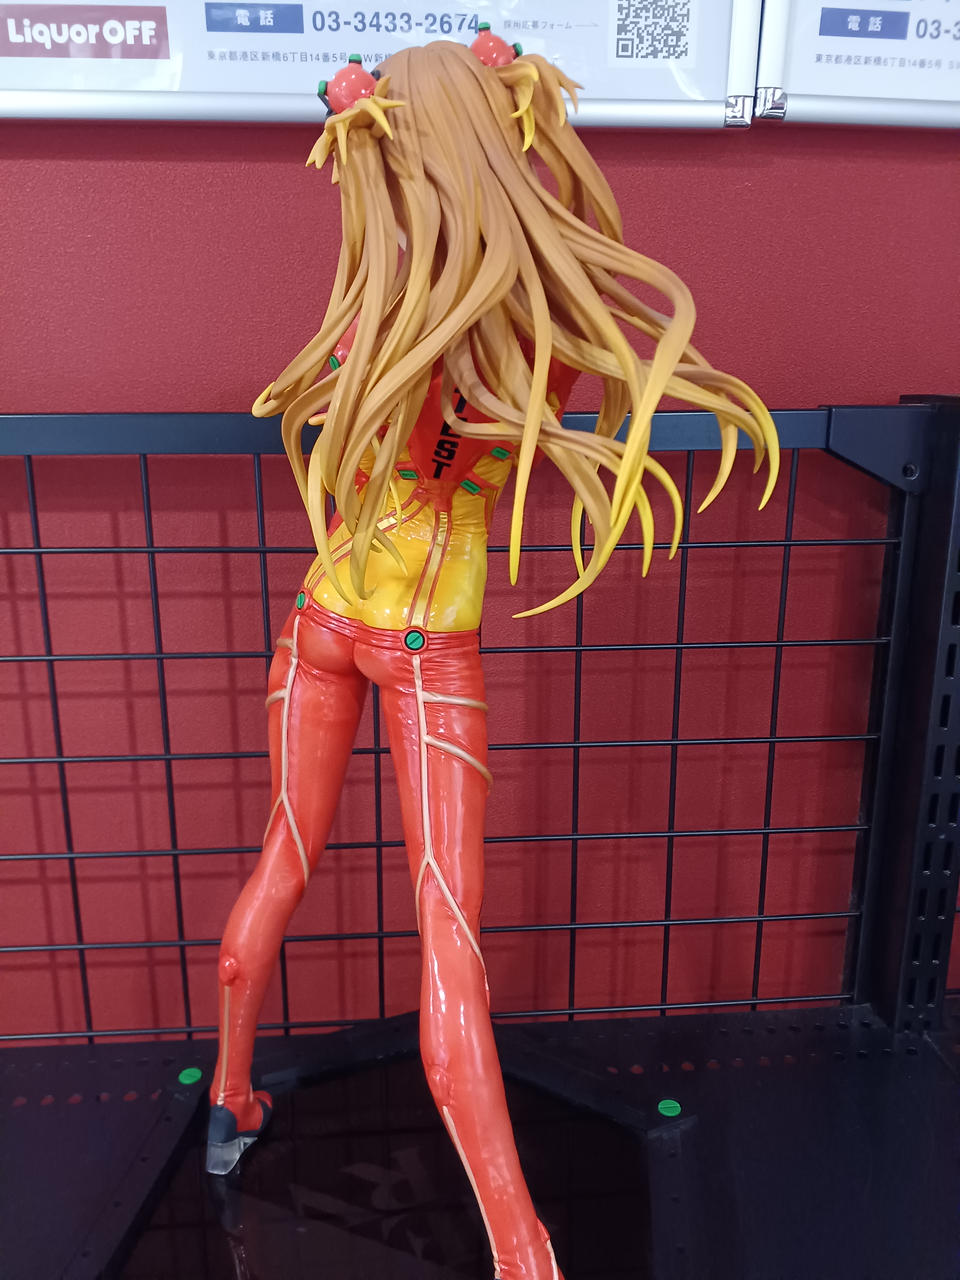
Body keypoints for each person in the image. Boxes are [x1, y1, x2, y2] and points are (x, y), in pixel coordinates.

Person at [206, 32, 779, 1280]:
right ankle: (523, 1251)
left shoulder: (366, 323)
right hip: (425, 645)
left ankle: (229, 1098)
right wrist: (537, 148)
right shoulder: (522, 341)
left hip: (322, 614)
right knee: (448, 932)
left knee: (284, 854)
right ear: (492, 145)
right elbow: (552, 336)